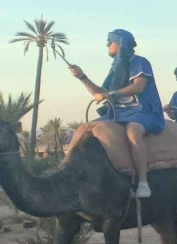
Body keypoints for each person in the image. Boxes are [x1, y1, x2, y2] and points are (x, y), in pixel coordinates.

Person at [68, 29, 166, 198]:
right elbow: (99, 93)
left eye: (110, 41)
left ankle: (143, 183)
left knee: (133, 131)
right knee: (83, 129)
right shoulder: (115, 68)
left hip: (141, 112)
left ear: (121, 43)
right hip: (117, 113)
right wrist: (82, 77)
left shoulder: (139, 62)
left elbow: (138, 87)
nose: (107, 45)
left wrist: (109, 94)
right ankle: (66, 170)